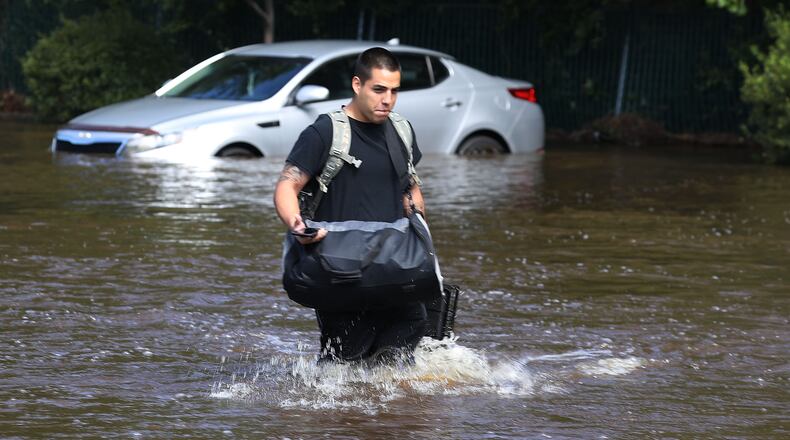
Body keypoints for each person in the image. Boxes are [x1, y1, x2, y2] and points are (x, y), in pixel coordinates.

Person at [274, 47, 429, 364]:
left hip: (394, 266)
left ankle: (391, 413)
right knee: (345, 362)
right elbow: (287, 185)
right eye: (379, 89)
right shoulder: (325, 132)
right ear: (358, 85)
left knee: (407, 339)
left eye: (394, 91)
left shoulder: (402, 130)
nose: (387, 99)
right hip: (339, 270)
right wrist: (297, 226)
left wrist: (422, 242)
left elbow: (410, 188)